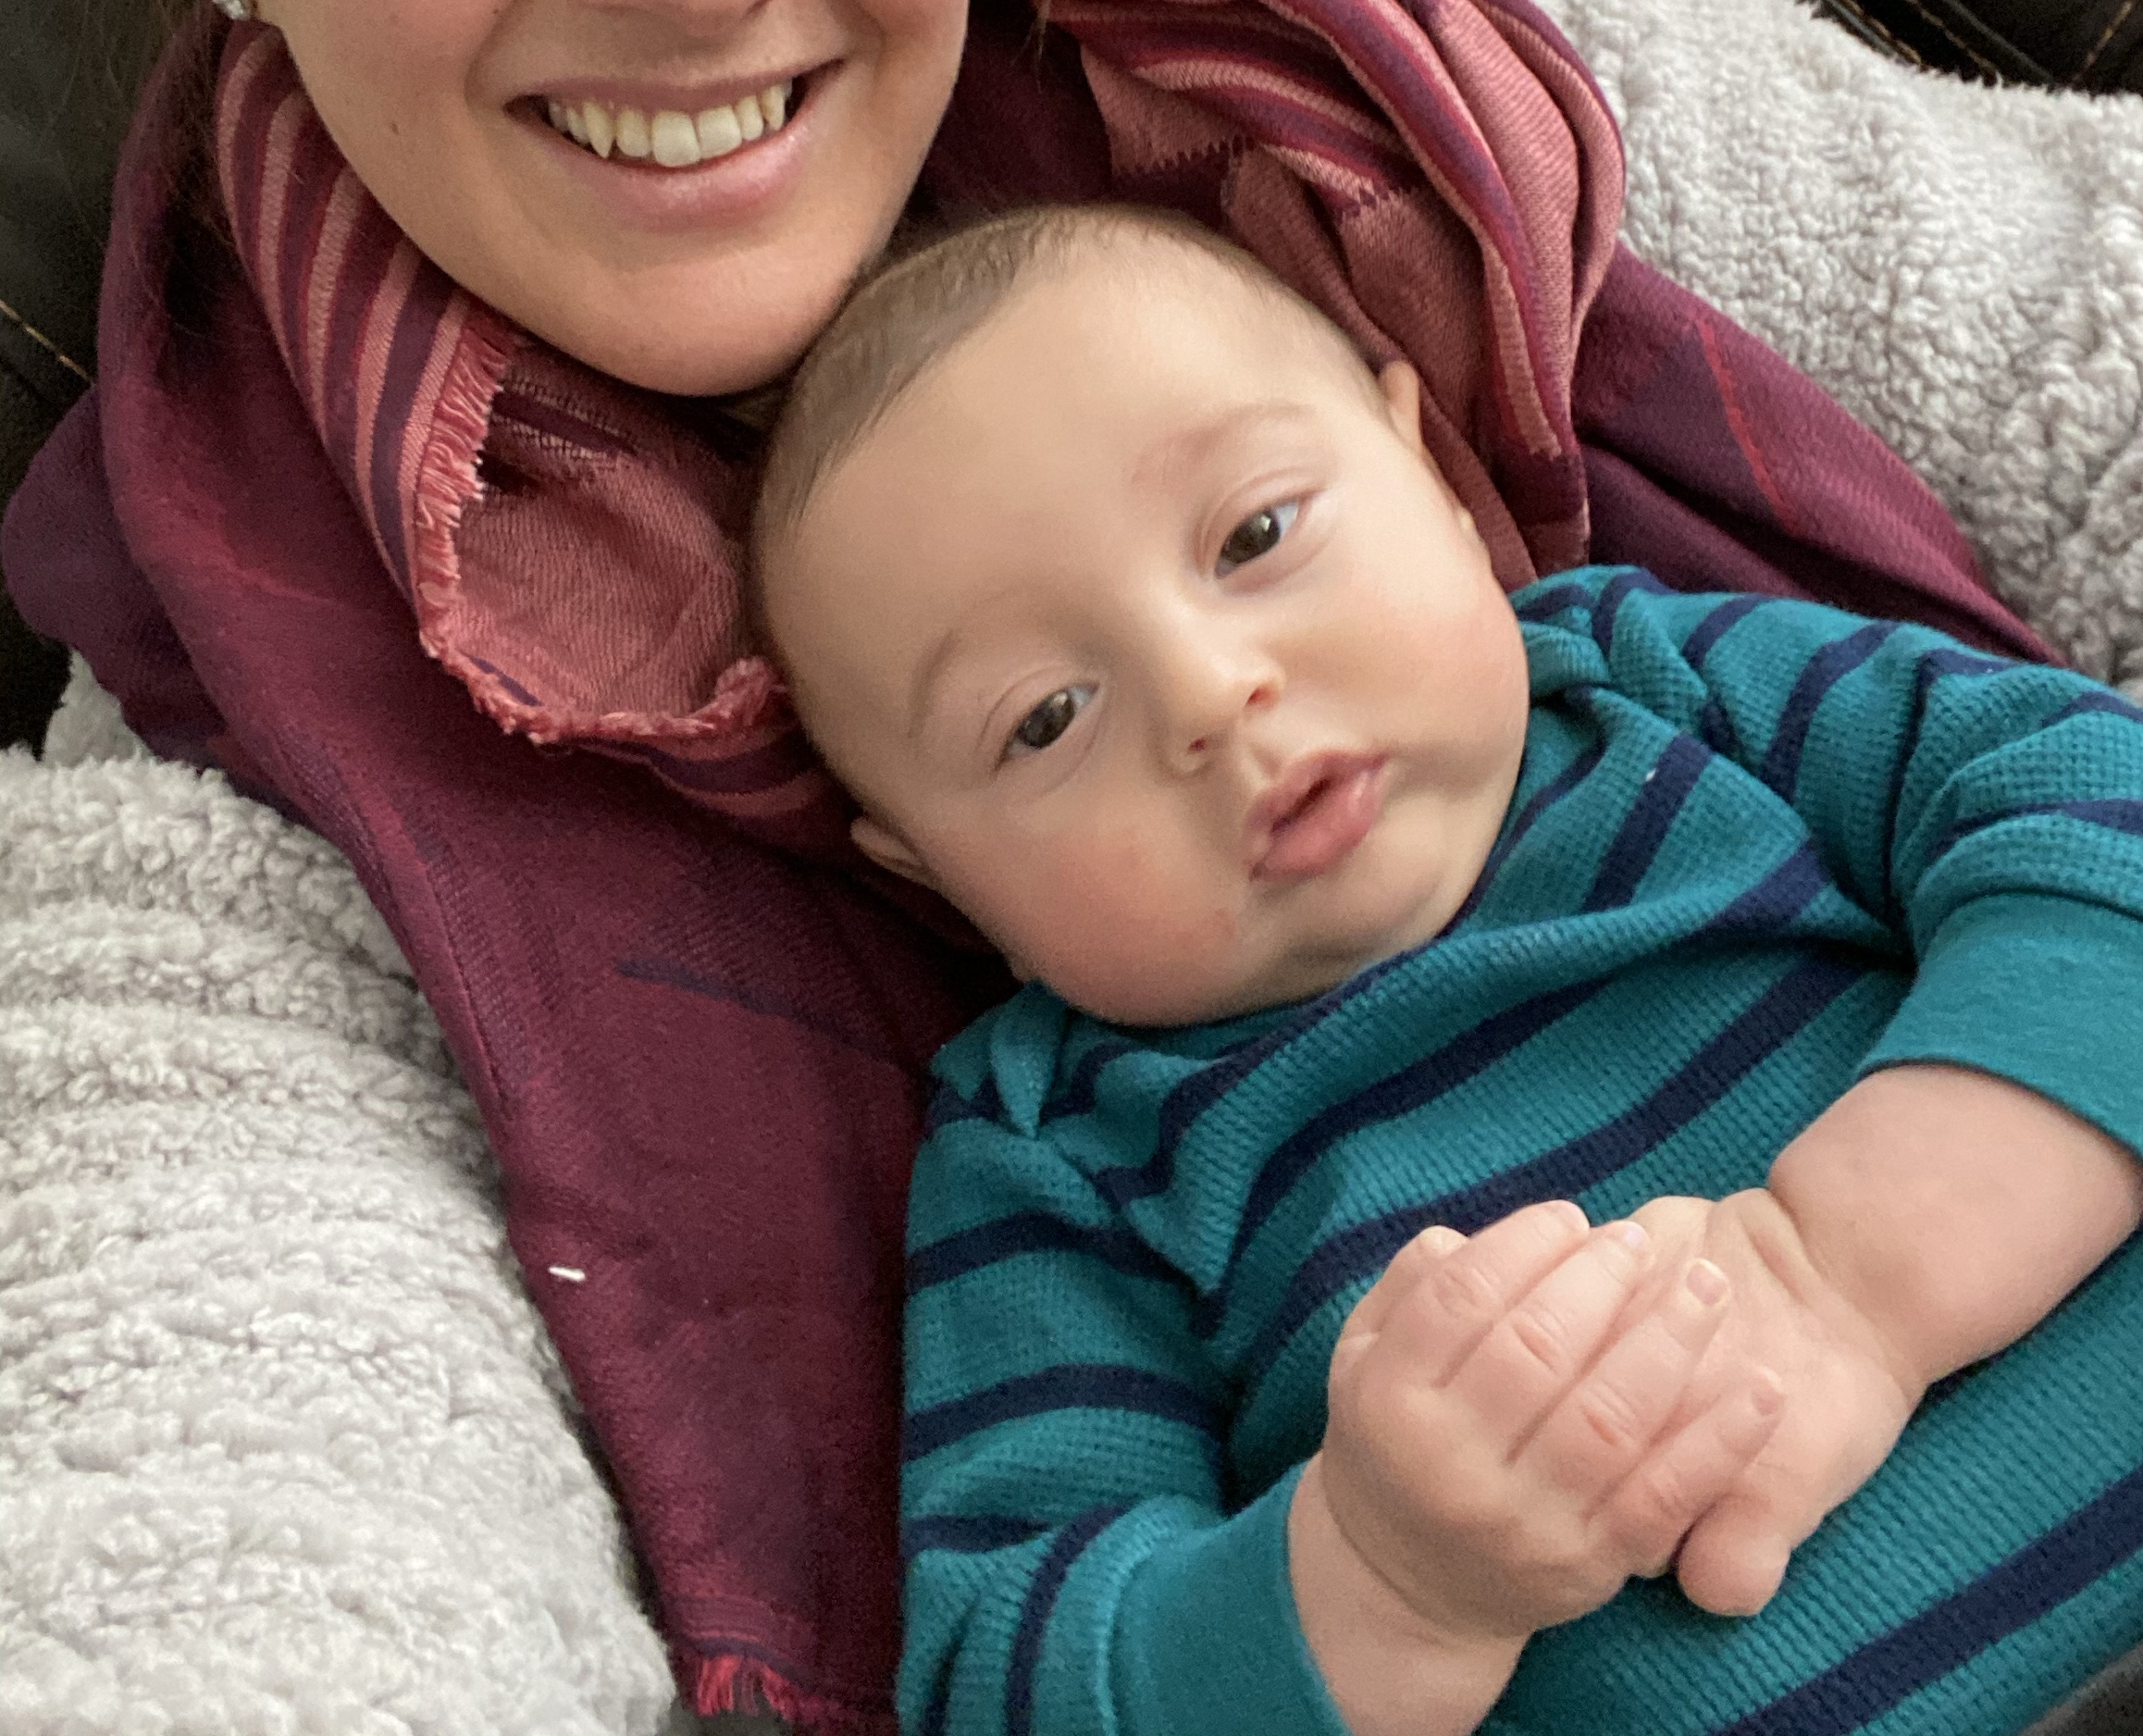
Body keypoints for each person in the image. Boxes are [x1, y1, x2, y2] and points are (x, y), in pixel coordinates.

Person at [6, 0, 2143, 1733]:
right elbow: (245, 1554)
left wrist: (1857, 1265)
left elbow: (2084, 338)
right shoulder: (211, 845)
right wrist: (1372, 1580)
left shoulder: (1359, 64)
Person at [750, 201, 2143, 1736]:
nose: (1210, 692)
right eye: (1043, 719)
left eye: (1255, 535)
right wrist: (1384, 1583)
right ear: (938, 875)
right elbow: (1019, 1686)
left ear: (1427, 473)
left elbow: (2107, 822)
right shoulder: (1057, 1158)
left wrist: (1852, 1281)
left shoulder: (1667, 686)